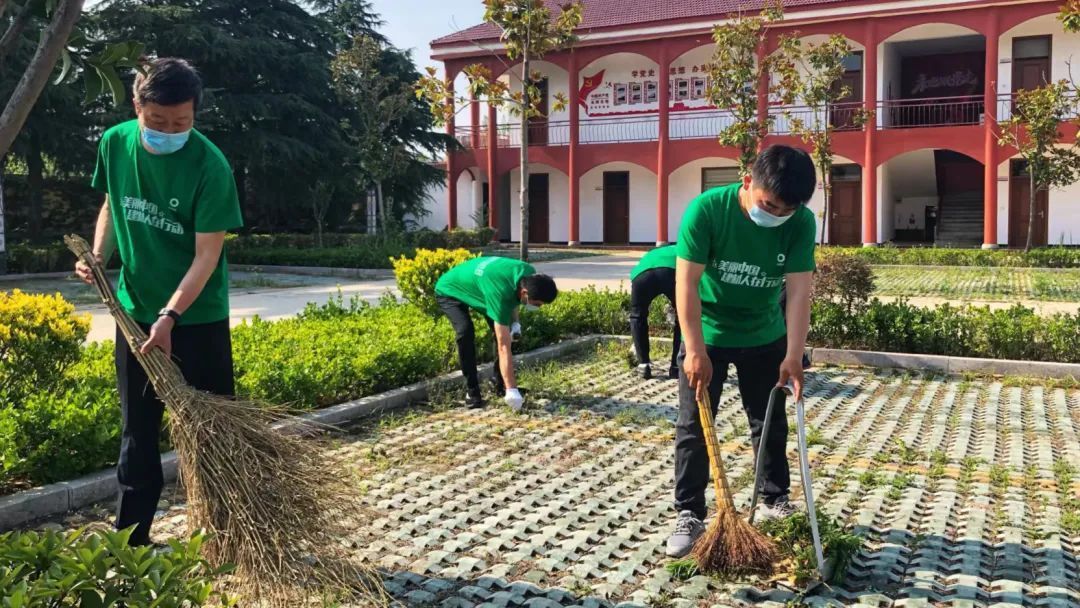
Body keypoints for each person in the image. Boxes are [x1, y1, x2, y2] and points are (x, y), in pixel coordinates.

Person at [75, 58, 242, 547]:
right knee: (138, 430)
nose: (169, 132)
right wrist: (99, 254)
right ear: (136, 106)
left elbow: (208, 254)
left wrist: (171, 315)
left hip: (196, 316)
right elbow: (110, 204)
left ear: (195, 115)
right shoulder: (115, 143)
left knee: (214, 429)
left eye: (181, 124)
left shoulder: (210, 164)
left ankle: (229, 535)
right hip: (134, 313)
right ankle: (132, 540)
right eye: (158, 122)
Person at [665, 145, 817, 558]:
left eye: (786, 210)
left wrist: (794, 353)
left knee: (768, 421)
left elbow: (800, 291)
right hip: (708, 330)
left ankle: (773, 500)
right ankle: (689, 512)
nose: (777, 216)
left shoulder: (800, 222)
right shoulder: (707, 210)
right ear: (747, 181)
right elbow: (686, 284)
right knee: (694, 425)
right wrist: (693, 348)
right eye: (769, 205)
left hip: (763, 332)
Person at [435, 257, 558, 410]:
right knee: (465, 332)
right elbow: (503, 346)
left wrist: (515, 322)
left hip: (482, 286)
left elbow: (514, 299)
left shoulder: (528, 274)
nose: (538, 307)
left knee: (505, 332)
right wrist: (513, 390)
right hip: (450, 290)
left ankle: (499, 385)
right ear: (525, 292)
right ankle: (472, 391)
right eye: (537, 304)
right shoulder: (499, 294)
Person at [628, 245, 681, 380]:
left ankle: (643, 364)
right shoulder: (681, 249)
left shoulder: (653, 253)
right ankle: (676, 367)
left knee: (637, 316)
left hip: (641, 275)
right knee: (682, 318)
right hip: (672, 272)